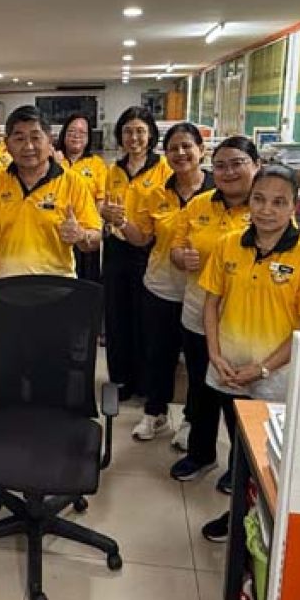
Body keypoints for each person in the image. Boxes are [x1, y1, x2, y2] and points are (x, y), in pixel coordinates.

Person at [196, 165, 300, 542]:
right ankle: (240, 518)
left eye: (278, 202)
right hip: (228, 369)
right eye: (259, 199)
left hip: (276, 378)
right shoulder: (228, 244)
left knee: (270, 455)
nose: (266, 210)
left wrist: (261, 369)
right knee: (239, 449)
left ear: (294, 206)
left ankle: (267, 524)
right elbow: (211, 304)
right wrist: (215, 354)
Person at [169, 136, 260, 488]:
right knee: (201, 388)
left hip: (244, 322)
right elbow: (175, 249)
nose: (228, 172)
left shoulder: (267, 208)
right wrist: (183, 257)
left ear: (256, 166)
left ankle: (242, 467)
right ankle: (200, 453)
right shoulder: (199, 204)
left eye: (238, 163)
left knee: (238, 394)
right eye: (220, 166)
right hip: (197, 314)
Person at [121, 122, 214, 443]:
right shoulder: (157, 194)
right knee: (158, 354)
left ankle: (191, 420)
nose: (180, 153)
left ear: (202, 150)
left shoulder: (217, 194)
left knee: (198, 361)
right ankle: (155, 412)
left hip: (204, 293)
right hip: (160, 287)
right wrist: (122, 222)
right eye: (173, 148)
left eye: (187, 146)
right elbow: (141, 238)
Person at [0, 105, 101, 278]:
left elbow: (95, 237)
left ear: (50, 140)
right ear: (7, 145)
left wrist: (81, 235)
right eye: (19, 139)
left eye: (36, 137)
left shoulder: (72, 182)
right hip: (6, 285)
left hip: (57, 284)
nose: (28, 146)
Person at [100, 106, 173, 401]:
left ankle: (145, 381)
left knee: (145, 318)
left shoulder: (163, 169)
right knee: (116, 316)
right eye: (128, 131)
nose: (134, 138)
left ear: (151, 134)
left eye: (140, 131)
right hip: (116, 250)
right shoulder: (114, 170)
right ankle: (120, 380)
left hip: (148, 250)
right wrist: (105, 215)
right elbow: (107, 207)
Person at [55, 112, 106, 283]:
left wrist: (91, 228)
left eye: (82, 132)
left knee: (86, 282)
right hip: (57, 232)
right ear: (64, 135)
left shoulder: (96, 164)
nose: (76, 135)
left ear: (88, 138)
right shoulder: (53, 160)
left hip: (86, 234)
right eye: (71, 131)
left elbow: (100, 199)